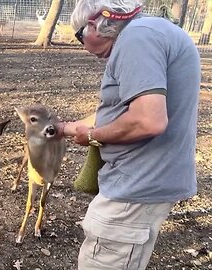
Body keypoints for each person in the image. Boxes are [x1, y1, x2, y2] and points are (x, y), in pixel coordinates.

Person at [54, 0, 201, 269]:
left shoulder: (137, 38)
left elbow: (148, 120)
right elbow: (123, 111)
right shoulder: (151, 32)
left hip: (135, 187)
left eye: (78, 38)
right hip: (142, 182)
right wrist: (67, 128)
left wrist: (94, 135)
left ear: (92, 26)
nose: (84, 48)